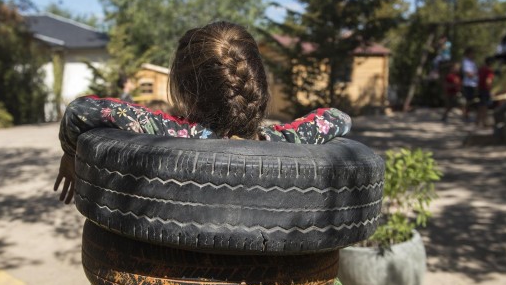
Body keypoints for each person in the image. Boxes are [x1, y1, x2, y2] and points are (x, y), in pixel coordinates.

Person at [54, 21, 352, 203]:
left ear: (186, 89)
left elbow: (81, 111)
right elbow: (337, 119)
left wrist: (71, 155)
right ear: (258, 84)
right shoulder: (285, 142)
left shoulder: (171, 133)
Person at [476, 57, 495, 128]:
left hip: (480, 89)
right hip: (485, 90)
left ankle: (477, 122)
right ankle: (484, 122)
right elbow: (488, 81)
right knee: (484, 107)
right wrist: (490, 90)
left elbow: (478, 78)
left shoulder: (481, 69)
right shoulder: (489, 70)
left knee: (480, 106)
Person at [461, 48, 478, 122]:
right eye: (471, 53)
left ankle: (468, 115)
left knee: (472, 100)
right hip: (468, 84)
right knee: (468, 101)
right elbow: (468, 74)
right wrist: (476, 73)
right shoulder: (466, 62)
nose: (473, 55)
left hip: (474, 83)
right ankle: (465, 115)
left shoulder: (472, 62)